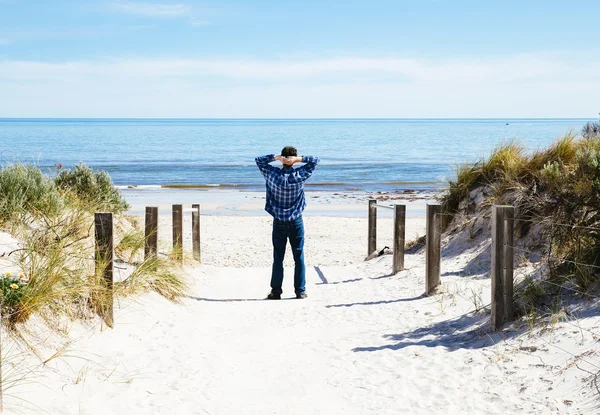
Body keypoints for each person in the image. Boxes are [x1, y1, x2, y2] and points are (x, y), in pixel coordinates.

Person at [255, 147, 320, 300]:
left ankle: (276, 291)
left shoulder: (272, 174)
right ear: (293, 159)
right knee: (299, 256)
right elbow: (315, 160)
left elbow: (259, 160)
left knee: (278, 257)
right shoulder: (300, 175)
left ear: (283, 159)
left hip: (278, 220)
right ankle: (300, 291)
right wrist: (297, 159)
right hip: (296, 220)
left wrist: (276, 157)